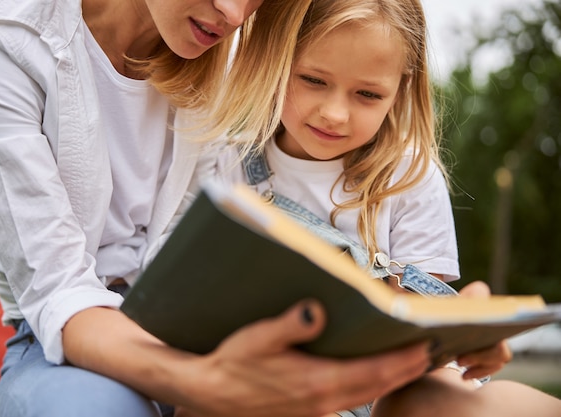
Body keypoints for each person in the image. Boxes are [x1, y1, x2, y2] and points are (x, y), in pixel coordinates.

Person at [0, 0, 440, 416]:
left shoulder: (239, 64)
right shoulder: (6, 38)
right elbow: (57, 293)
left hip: (207, 338)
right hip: (68, 351)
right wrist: (202, 383)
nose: (232, 12)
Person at [176, 0, 561, 416]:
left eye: (367, 94)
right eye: (312, 80)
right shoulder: (225, 165)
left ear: (400, 88)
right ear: (277, 58)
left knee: (447, 401)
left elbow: (421, 323)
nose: (335, 113)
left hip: (390, 386)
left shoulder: (409, 177)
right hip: (270, 379)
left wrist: (467, 333)